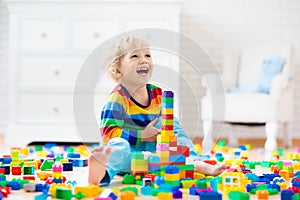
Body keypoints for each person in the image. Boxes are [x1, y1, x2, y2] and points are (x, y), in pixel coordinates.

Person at [88, 36, 225, 185]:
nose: (144, 60)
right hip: (128, 155)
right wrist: (142, 135)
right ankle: (103, 170)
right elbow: (108, 133)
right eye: (135, 56)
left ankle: (192, 161)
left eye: (147, 55)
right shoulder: (118, 97)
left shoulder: (158, 94)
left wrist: (164, 134)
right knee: (120, 147)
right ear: (117, 70)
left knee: (169, 123)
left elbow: (170, 131)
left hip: (152, 155)